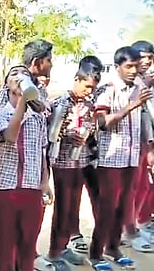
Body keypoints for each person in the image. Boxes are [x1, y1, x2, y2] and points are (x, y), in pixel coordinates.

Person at [90, 46, 153, 270]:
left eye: (136, 66)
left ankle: (113, 248)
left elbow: (145, 119)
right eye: (128, 66)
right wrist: (132, 105)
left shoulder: (140, 87)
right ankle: (96, 253)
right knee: (107, 207)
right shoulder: (108, 89)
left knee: (123, 206)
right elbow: (101, 123)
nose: (133, 70)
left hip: (131, 157)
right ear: (117, 67)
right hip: (110, 158)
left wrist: (150, 146)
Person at [0, 65, 50, 271]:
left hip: (32, 186)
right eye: (14, 74)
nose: (20, 77)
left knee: (28, 245)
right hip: (7, 187)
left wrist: (45, 182)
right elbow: (10, 136)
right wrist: (23, 102)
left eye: (25, 74)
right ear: (6, 84)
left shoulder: (38, 116)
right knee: (6, 246)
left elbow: (41, 150)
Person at [45, 62, 101, 270]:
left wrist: (85, 136)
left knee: (73, 207)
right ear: (77, 80)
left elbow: (91, 128)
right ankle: (54, 252)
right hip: (62, 163)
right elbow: (51, 132)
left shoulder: (89, 105)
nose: (89, 91)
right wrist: (69, 135)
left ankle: (63, 246)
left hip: (80, 161)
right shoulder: (59, 102)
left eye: (93, 88)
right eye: (87, 86)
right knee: (62, 207)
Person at [67, 56, 104, 254]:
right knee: (73, 197)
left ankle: (102, 233)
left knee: (98, 194)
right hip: (72, 157)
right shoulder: (68, 99)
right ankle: (74, 234)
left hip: (93, 155)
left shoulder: (99, 95)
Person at [128, 40, 154, 244]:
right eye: (142, 57)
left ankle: (143, 223)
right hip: (134, 144)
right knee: (135, 187)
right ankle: (131, 229)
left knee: (146, 186)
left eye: (150, 57)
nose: (146, 61)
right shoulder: (132, 83)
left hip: (148, 143)